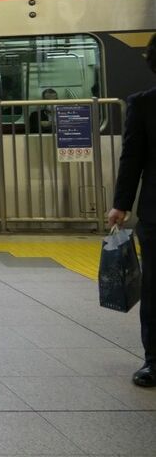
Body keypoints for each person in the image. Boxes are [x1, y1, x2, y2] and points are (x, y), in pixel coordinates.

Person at [108, 33, 156, 388]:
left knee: (155, 288)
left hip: (155, 215)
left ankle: (154, 363)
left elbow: (132, 159)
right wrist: (122, 203)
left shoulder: (142, 105)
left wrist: (120, 206)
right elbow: (133, 159)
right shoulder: (143, 105)